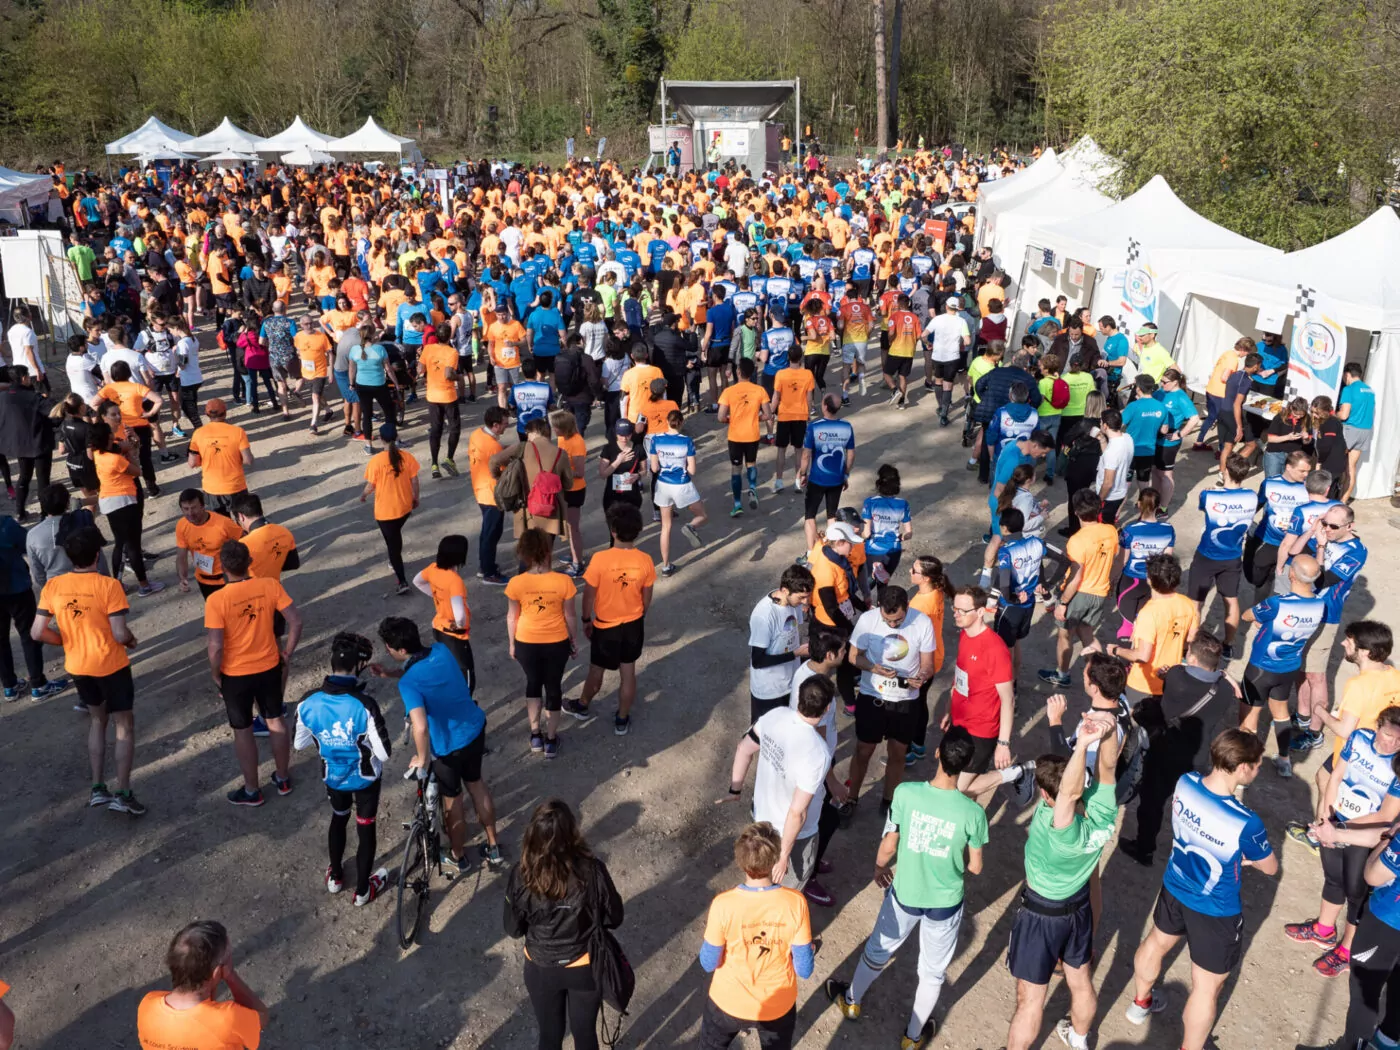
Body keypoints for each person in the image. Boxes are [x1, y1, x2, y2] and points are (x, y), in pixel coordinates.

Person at [824, 726, 988, 1048]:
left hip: (905, 894)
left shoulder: (906, 794)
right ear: (967, 766)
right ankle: (912, 1037)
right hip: (945, 903)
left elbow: (889, 843)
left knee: (878, 949)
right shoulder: (973, 813)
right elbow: (976, 867)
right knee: (932, 972)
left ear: (938, 753)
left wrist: (879, 867)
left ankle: (852, 1001)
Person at [1127, 731, 1277, 1050]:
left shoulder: (1186, 782)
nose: (1258, 769)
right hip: (1216, 909)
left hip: (1175, 885)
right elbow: (1270, 867)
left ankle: (1139, 1004)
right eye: (1257, 765)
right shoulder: (1245, 821)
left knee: (1156, 943)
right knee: (1207, 988)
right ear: (1242, 769)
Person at [1002, 712, 1120, 1050]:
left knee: (1030, 999)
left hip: (1041, 915)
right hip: (1078, 908)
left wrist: (1083, 742)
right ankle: (1079, 1039)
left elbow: (1066, 796)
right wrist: (1107, 731)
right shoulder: (1101, 809)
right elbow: (1107, 768)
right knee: (1080, 981)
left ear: (1046, 795)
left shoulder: (1060, 830)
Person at [375, 616, 503, 872]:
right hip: (475, 729)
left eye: (388, 647)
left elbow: (420, 726)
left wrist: (422, 759)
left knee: (452, 801)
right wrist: (391, 674)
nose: (387, 651)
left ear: (399, 650)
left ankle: (457, 856)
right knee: (476, 784)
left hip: (448, 746)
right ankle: (493, 845)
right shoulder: (441, 650)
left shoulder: (409, 683)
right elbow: (425, 670)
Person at [32, 526, 144, 814]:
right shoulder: (108, 586)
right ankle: (123, 792)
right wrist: (131, 640)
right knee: (124, 725)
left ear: (70, 558)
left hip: (79, 667)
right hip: (111, 665)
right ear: (97, 554)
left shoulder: (53, 587)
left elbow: (37, 632)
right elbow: (119, 634)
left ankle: (97, 788)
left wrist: (65, 641)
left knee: (97, 722)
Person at [1286, 706, 1400, 981]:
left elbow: (1386, 816)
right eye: (1387, 735)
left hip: (1363, 835)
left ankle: (1346, 951)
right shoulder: (1359, 738)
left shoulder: (1398, 764)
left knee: (1356, 893)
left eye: (1399, 740)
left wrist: (1339, 829)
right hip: (1336, 822)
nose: (1392, 743)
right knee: (1332, 877)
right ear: (1377, 726)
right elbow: (1336, 777)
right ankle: (1324, 930)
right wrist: (1326, 815)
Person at [505, 800, 622, 1050]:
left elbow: (512, 929)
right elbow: (615, 917)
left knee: (549, 1035)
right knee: (585, 1035)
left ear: (532, 835)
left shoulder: (521, 874)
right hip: (584, 967)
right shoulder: (593, 871)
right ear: (572, 833)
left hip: (540, 967)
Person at [1120, 632, 1236, 865]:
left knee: (1152, 802)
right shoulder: (1225, 691)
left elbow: (1171, 674)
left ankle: (1145, 850)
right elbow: (1229, 682)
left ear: (1192, 658)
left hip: (1164, 753)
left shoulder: (1176, 677)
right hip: (1198, 758)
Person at [293, 631, 392, 904]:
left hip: (333, 776)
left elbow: (300, 744)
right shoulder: (365, 705)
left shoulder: (307, 702)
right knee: (365, 827)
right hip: (365, 779)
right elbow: (383, 754)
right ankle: (362, 891)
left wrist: (326, 739)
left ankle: (335, 876)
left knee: (339, 817)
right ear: (358, 666)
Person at [697, 823, 815, 1050]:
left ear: (740, 861)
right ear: (775, 859)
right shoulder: (795, 902)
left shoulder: (723, 904)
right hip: (777, 1006)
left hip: (727, 1002)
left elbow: (708, 963)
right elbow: (805, 970)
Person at [720, 675, 836, 899]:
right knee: (789, 887)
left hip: (761, 818)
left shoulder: (775, 715)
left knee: (760, 874)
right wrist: (783, 856)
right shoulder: (817, 751)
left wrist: (735, 790)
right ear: (828, 708)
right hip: (794, 834)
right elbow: (797, 811)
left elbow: (744, 749)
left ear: (799, 697)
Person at [207, 540, 302, 807]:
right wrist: (287, 654)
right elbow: (296, 620)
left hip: (235, 675)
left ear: (222, 566)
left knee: (243, 730)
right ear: (250, 562)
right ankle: (283, 778)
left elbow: (215, 647)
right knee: (275, 721)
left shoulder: (216, 600)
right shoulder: (269, 585)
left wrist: (217, 675)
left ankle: (252, 790)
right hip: (269, 665)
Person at [845, 585, 938, 814]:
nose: (893, 625)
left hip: (906, 699)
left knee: (898, 753)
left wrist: (923, 676)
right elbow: (853, 656)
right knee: (863, 750)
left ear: (907, 608)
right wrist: (873, 667)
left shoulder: (922, 622)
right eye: (888, 621)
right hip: (873, 696)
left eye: (898, 620)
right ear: (880, 610)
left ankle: (888, 801)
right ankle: (851, 799)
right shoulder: (868, 620)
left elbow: (928, 663)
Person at [569, 504, 656, 735]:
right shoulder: (646, 560)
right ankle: (622, 718)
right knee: (628, 673)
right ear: (638, 530)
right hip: (633, 624)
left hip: (606, 626)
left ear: (613, 531)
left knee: (596, 671)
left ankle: (583, 705)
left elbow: (589, 595)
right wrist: (640, 614)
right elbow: (647, 595)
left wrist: (586, 619)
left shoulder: (600, 559)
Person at [1236, 554, 1325, 776]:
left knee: (1249, 716)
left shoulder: (1277, 603)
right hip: (1288, 667)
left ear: (1292, 575)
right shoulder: (1319, 604)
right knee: (1281, 712)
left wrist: (1261, 621)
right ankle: (1284, 760)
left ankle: (1247, 762)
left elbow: (1247, 615)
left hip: (1260, 668)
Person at [505, 528, 579, 760]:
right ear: (549, 551)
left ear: (523, 554)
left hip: (526, 641)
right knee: (554, 687)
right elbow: (570, 616)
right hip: (556, 642)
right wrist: (573, 639)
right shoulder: (564, 581)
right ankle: (551, 739)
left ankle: (535, 734)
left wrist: (512, 643)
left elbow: (511, 616)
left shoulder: (516, 583)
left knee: (533, 685)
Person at [136, 920, 266, 1050]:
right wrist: (230, 975)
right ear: (216, 972)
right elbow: (261, 1018)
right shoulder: (228, 1019)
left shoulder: (147, 1004)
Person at [1039, 490, 1118, 689]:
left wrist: (1063, 603)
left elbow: (1075, 577)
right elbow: (1114, 559)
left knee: (1065, 635)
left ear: (1076, 512)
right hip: (1099, 592)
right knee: (1087, 633)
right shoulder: (1111, 531)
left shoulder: (1077, 541)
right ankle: (1101, 676)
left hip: (1078, 595)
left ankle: (1062, 675)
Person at [1185, 452, 1258, 659]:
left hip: (1207, 555)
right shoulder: (1251, 497)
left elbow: (1203, 506)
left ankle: (1190, 644)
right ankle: (1229, 644)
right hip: (1232, 557)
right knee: (1231, 600)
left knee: (1195, 603)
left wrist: (1212, 490)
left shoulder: (1210, 496)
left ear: (1226, 470)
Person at [945, 583, 1015, 793]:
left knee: (959, 789)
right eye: (954, 609)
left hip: (981, 729)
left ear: (981, 612)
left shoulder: (995, 649)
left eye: (963, 611)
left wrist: (1003, 744)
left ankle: (1014, 773)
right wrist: (949, 710)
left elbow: (1008, 699)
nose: (956, 615)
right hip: (959, 722)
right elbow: (960, 677)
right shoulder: (965, 634)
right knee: (952, 781)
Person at [1108, 553, 1199, 704]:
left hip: (1143, 684)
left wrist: (1116, 650)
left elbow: (1142, 656)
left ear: (1149, 580)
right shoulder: (1188, 604)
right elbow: (1190, 640)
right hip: (1170, 681)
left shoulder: (1148, 613)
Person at [90, 417, 163, 597]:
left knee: (120, 544)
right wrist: (132, 454)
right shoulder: (115, 460)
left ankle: (119, 583)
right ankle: (144, 585)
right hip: (124, 502)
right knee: (133, 546)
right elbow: (138, 471)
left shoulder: (99, 454)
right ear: (107, 437)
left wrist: (127, 446)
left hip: (109, 501)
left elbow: (119, 447)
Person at [1245, 449, 1314, 599]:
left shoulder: (1309, 488)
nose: (1306, 475)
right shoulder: (1269, 483)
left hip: (1294, 544)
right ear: (1288, 467)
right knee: (1258, 579)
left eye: (1308, 471)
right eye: (1302, 471)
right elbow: (1258, 504)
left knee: (1288, 583)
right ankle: (1259, 613)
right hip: (1268, 540)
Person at [360, 422, 420, 595]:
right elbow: (415, 480)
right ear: (397, 437)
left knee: (392, 544)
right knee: (395, 536)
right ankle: (394, 561)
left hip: (385, 512)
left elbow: (371, 485)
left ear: (380, 439)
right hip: (404, 507)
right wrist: (416, 497)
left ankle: (402, 581)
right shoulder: (407, 457)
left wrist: (363, 495)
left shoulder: (376, 461)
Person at [412, 534, 476, 689]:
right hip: (454, 635)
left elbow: (417, 581)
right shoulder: (455, 581)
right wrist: (459, 625)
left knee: (449, 668)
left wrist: (436, 595)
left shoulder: (433, 568)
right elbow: (459, 614)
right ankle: (464, 706)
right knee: (466, 674)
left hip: (438, 628)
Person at [648, 409, 707, 576]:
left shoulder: (656, 440)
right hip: (682, 485)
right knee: (702, 515)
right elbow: (693, 470)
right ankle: (690, 526)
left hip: (662, 485)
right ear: (681, 423)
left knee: (665, 527)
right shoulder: (687, 441)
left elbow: (653, 468)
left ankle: (666, 566)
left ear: (667, 422)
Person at [1113, 488, 1175, 642]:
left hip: (1131, 582)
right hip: (1154, 583)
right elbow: (1167, 561)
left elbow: (1122, 561)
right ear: (1159, 506)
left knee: (1127, 627)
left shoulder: (1130, 531)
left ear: (1139, 504)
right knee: (1144, 625)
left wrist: (1111, 580)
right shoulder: (1168, 530)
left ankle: (1126, 663)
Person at [717, 357, 770, 516]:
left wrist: (730, 419)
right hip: (752, 435)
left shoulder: (728, 391)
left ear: (738, 372)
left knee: (736, 468)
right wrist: (756, 418)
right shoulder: (760, 390)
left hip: (735, 436)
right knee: (751, 463)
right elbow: (767, 414)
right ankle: (752, 488)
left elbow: (720, 417)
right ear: (752, 372)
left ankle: (738, 504)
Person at [186, 398, 253, 516]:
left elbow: (192, 463)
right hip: (235, 486)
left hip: (212, 488)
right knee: (243, 520)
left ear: (207, 414)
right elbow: (248, 460)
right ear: (225, 412)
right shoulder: (238, 431)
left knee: (220, 524)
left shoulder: (198, 433)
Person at [174, 488, 242, 598]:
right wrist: (183, 578)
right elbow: (181, 556)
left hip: (227, 580)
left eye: (194, 508)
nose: (190, 513)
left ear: (203, 505)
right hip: (203, 581)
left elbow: (246, 542)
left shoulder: (223, 523)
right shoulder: (181, 525)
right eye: (186, 509)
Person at [469, 405, 509, 585]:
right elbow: (504, 470)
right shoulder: (493, 446)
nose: (506, 426)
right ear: (495, 425)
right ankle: (489, 573)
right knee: (492, 534)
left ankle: (484, 565)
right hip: (492, 494)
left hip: (480, 489)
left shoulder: (477, 434)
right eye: (504, 424)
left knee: (487, 533)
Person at [769, 343, 816, 492]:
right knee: (798, 450)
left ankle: (779, 481)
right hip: (800, 415)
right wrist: (808, 412)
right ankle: (798, 481)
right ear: (801, 357)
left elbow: (776, 396)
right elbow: (809, 397)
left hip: (784, 415)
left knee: (781, 450)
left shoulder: (780, 374)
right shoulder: (807, 374)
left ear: (788, 357)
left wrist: (770, 412)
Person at [1151, 367, 1199, 509]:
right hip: (1155, 438)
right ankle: (1153, 500)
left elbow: (1194, 418)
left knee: (1165, 474)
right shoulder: (1160, 392)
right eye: (1161, 381)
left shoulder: (1180, 397)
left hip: (1169, 441)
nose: (1162, 384)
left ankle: (1163, 507)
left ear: (1175, 382)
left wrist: (1180, 434)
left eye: (1165, 382)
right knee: (1154, 470)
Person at [419, 327, 461, 478]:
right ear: (450, 336)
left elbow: (420, 369)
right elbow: (449, 374)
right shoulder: (452, 352)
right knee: (454, 428)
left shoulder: (428, 349)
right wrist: (459, 378)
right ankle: (449, 458)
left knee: (436, 430)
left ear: (436, 336)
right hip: (448, 396)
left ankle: (434, 465)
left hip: (432, 395)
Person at [923, 296, 972, 424]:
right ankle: (944, 413)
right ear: (957, 308)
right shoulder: (961, 321)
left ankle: (940, 406)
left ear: (946, 306)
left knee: (938, 381)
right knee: (948, 384)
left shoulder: (937, 319)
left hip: (937, 355)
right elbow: (968, 341)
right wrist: (960, 342)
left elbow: (923, 335)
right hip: (953, 357)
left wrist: (928, 343)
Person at [230, 492, 298, 582]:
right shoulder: (284, 532)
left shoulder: (243, 545)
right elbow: (293, 564)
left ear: (241, 517)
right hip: (274, 587)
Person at [862, 463, 913, 583]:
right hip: (893, 550)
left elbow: (867, 533)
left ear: (879, 483)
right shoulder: (903, 504)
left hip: (873, 549)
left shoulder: (870, 502)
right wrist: (899, 537)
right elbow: (909, 533)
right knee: (883, 583)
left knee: (868, 584)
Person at [552, 410, 588, 576]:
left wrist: (560, 471)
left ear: (564, 428)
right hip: (564, 488)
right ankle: (574, 555)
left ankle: (577, 564)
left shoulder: (577, 442)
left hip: (575, 490)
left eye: (556, 427)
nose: (553, 430)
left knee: (573, 529)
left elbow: (580, 472)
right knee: (568, 527)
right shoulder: (561, 438)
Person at [1338, 361, 1374, 504]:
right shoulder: (1370, 390)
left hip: (1350, 429)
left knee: (1337, 464)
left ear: (1347, 374)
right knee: (1351, 467)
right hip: (1365, 431)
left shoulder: (1349, 389)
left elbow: (1344, 415)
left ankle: (1333, 496)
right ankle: (1344, 500)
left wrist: (1333, 414)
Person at [1093, 408, 1134, 527]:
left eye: (1101, 422)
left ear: (1105, 426)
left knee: (1103, 528)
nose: (1100, 424)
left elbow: (1108, 483)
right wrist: (1102, 440)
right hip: (1120, 492)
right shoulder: (1127, 438)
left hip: (1109, 497)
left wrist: (1098, 501)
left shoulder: (1112, 452)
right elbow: (1112, 460)